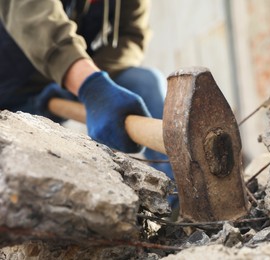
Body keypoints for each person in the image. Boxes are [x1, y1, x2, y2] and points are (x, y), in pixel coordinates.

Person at [0, 1, 174, 183]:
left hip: (65, 85)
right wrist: (90, 85)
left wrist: (87, 80)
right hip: (7, 89)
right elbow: (33, 15)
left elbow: (131, 36)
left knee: (143, 81)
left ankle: (179, 193)